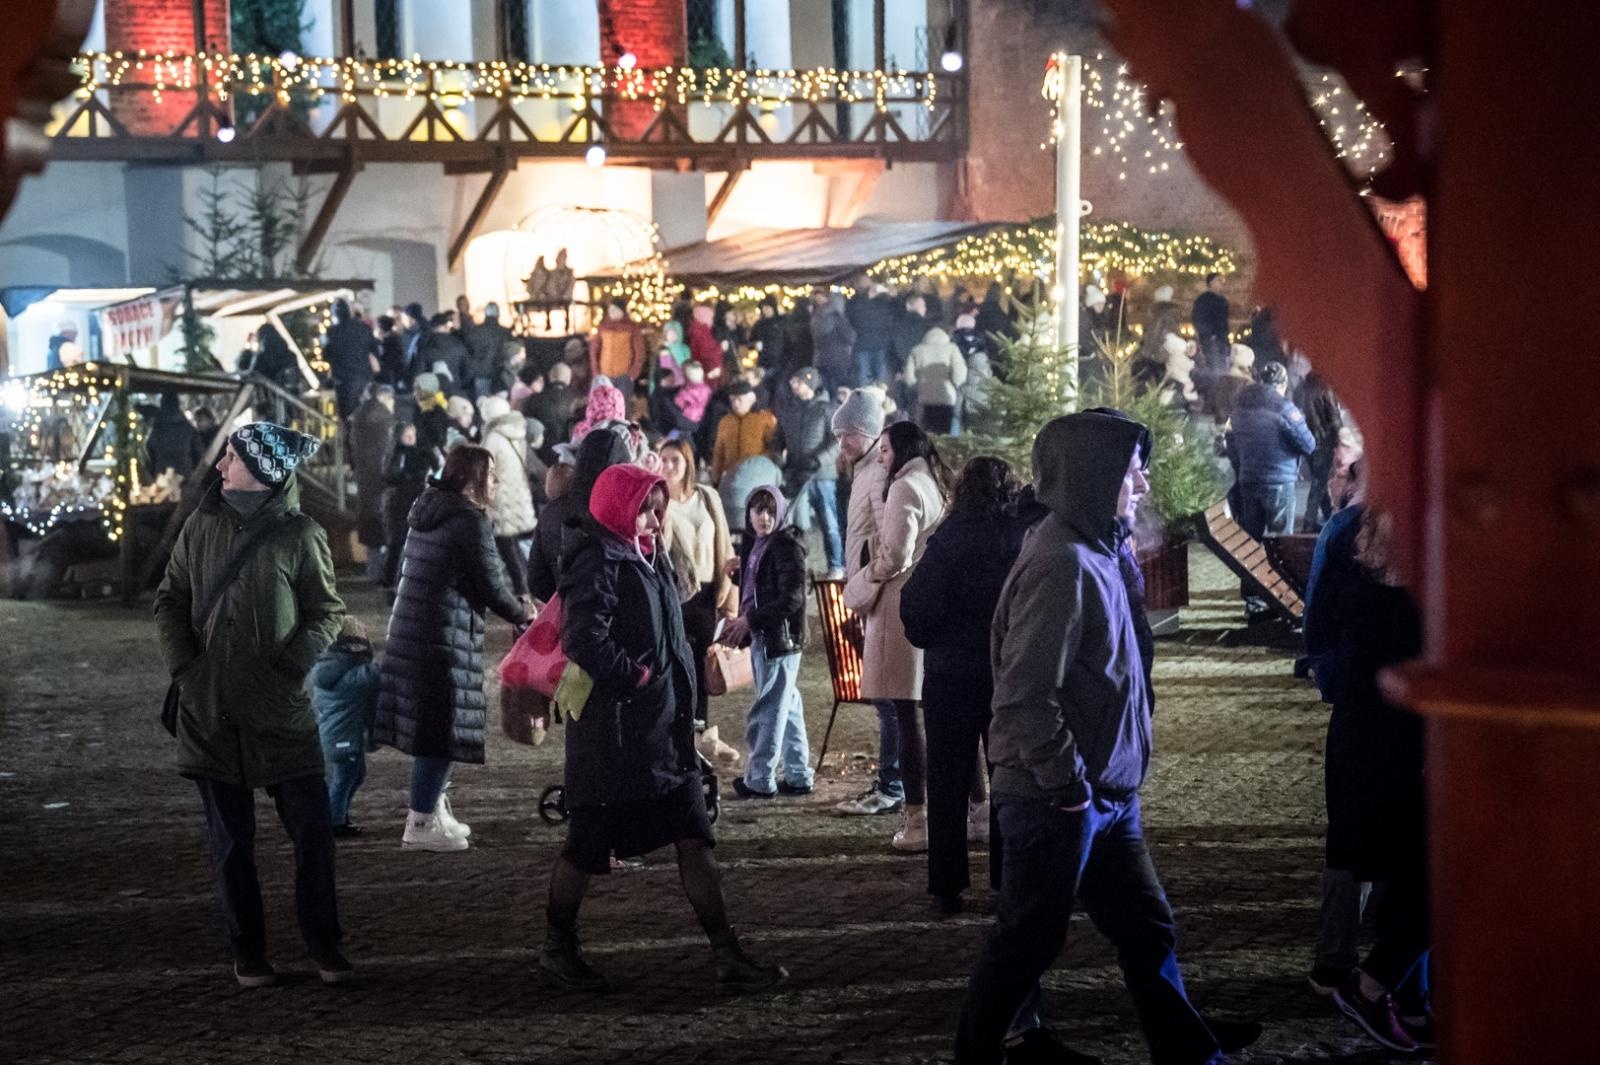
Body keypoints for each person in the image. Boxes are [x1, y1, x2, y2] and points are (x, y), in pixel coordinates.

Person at [955, 410, 1257, 1065]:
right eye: (1131, 470)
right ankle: (974, 1055)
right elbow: (1025, 693)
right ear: (1094, 476)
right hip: (1055, 796)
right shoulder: (1061, 561)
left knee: (1146, 927)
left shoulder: (1096, 546)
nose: (1143, 482)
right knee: (1027, 942)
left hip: (1104, 793)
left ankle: (1186, 1050)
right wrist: (1068, 787)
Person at [541, 462, 785, 994]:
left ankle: (726, 951)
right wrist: (639, 677)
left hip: (661, 733)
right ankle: (558, 945)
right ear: (618, 506)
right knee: (585, 844)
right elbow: (586, 640)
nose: (655, 518)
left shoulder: (646, 558)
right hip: (615, 737)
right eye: (645, 508)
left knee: (694, 837)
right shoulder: (599, 561)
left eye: (659, 507)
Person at [153, 421, 348, 988]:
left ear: (261, 471)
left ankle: (324, 944)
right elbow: (171, 600)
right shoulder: (200, 526)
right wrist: (187, 668)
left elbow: (326, 611)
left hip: (280, 712)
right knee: (232, 845)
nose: (220, 467)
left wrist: (290, 667)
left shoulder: (300, 534)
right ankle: (249, 952)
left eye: (231, 457)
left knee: (313, 837)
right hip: (210, 711)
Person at [1304, 505, 1431, 1053]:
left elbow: (1322, 635)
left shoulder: (1360, 578)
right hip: (1406, 749)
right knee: (1437, 877)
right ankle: (1373, 985)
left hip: (1363, 739)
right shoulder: (1416, 604)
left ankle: (1402, 996)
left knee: (1408, 874)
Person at [373, 444, 530, 851]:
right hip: (442, 636)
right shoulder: (468, 521)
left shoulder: (429, 511)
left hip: (415, 632)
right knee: (440, 732)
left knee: (436, 727)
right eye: (492, 476)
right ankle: (421, 823)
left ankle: (433, 810)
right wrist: (523, 615)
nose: (497, 483)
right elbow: (491, 584)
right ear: (474, 479)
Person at [900, 456, 1032, 914]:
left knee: (948, 780)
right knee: (1008, 777)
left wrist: (939, 634)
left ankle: (946, 885)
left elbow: (916, 611)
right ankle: (1007, 878)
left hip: (952, 675)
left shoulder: (948, 540)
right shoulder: (1020, 538)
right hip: (1004, 673)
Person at [844, 420, 948, 852]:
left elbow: (896, 555)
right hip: (921, 604)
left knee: (906, 715)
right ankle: (969, 809)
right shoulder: (930, 482)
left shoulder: (906, 487)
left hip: (898, 608)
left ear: (902, 449)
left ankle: (918, 820)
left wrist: (865, 574)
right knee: (925, 714)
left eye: (884, 450)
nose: (880, 457)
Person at [830, 389, 907, 818]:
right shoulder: (864, 469)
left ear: (868, 433)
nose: (841, 442)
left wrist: (868, 576)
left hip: (880, 593)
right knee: (885, 694)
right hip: (872, 590)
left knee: (888, 696)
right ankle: (894, 779)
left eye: (848, 434)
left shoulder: (877, 474)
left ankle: (893, 782)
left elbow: (886, 534)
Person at [725, 485, 813, 799]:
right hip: (773, 637)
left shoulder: (784, 545)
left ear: (780, 512)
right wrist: (739, 576)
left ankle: (760, 779)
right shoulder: (763, 544)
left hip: (778, 638)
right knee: (786, 706)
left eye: (770, 511)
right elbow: (763, 587)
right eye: (758, 510)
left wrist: (750, 619)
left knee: (770, 709)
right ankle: (799, 773)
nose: (764, 517)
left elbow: (791, 597)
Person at [658, 439, 736, 734]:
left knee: (703, 664)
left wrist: (729, 597)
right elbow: (660, 547)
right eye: (663, 459)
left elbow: (724, 544)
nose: (668, 466)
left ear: (687, 463)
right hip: (677, 594)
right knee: (678, 663)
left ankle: (699, 726)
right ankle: (677, 726)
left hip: (708, 593)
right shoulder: (657, 501)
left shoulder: (707, 497)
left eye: (674, 460)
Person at [528, 426, 633, 601]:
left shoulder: (553, 510)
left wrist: (565, 600)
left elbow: (536, 580)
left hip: (569, 617)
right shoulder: (625, 513)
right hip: (618, 619)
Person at [310, 615, 381, 838]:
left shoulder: (328, 672)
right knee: (345, 778)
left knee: (353, 775)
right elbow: (368, 677)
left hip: (339, 737)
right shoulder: (346, 675)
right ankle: (334, 821)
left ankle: (337, 815)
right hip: (343, 739)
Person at [775, 368, 844, 576]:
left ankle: (836, 564)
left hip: (822, 475)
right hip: (796, 473)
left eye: (797, 381)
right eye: (792, 380)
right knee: (794, 523)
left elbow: (837, 440)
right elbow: (778, 438)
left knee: (829, 523)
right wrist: (779, 458)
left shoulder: (826, 409)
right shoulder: (789, 410)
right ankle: (795, 565)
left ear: (810, 383)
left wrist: (818, 460)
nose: (793, 384)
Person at [477, 395, 537, 604]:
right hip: (518, 495)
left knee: (508, 547)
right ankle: (527, 588)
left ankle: (523, 592)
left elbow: (484, 469)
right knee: (512, 546)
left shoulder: (493, 437)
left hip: (501, 499)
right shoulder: (517, 432)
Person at [351, 384, 396, 578]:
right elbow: (388, 448)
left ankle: (374, 571)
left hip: (365, 474)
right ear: (385, 397)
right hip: (380, 476)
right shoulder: (384, 419)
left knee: (370, 523)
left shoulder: (361, 415)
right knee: (383, 521)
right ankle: (383, 573)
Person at [380, 423, 430, 592]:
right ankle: (390, 581)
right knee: (397, 543)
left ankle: (401, 580)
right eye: (407, 436)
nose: (411, 439)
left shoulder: (418, 454)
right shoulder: (397, 455)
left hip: (411, 502)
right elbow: (390, 476)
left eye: (412, 435)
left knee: (410, 544)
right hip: (398, 504)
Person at [1294, 371, 1345, 533]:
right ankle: (1308, 522)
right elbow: (1333, 417)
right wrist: (1341, 440)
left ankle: (1328, 514)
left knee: (1319, 478)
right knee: (1319, 482)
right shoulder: (1325, 388)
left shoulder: (1301, 387)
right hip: (1324, 441)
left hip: (1306, 440)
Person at [709, 378, 778, 487]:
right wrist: (715, 479)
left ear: (751, 399)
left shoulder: (765, 419)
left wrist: (759, 468)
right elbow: (719, 452)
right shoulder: (725, 422)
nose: (736, 404)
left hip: (756, 478)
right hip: (731, 479)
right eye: (732, 400)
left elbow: (774, 449)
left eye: (739, 399)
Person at [904, 325, 969, 433]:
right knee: (944, 434)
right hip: (946, 399)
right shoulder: (952, 348)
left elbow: (909, 377)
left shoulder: (916, 350)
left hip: (925, 399)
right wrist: (956, 385)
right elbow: (960, 373)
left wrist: (918, 387)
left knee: (927, 433)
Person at [324, 298, 378, 420]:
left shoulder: (333, 332)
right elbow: (374, 350)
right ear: (350, 312)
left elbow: (326, 355)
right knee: (365, 414)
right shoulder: (364, 329)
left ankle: (350, 437)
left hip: (343, 381)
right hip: (364, 378)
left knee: (347, 416)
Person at [588, 300, 647, 394]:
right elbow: (594, 350)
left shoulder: (632, 328)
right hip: (605, 374)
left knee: (623, 406)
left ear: (622, 311)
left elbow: (640, 352)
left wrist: (633, 374)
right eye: (610, 310)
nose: (612, 312)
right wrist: (596, 371)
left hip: (624, 376)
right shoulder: (603, 327)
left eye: (615, 310)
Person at [847, 276, 896, 389]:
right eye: (864, 282)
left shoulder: (882, 300)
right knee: (864, 382)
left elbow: (893, 314)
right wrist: (868, 297)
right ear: (857, 285)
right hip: (863, 346)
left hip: (881, 344)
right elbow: (856, 319)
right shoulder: (853, 302)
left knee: (881, 382)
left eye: (869, 281)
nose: (868, 284)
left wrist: (894, 296)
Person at [809, 289, 857, 396]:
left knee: (826, 389)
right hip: (839, 357)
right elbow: (850, 336)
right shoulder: (836, 316)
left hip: (821, 359)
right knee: (840, 390)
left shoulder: (814, 317)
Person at [144, 392, 201, 481]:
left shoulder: (158, 429)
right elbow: (198, 453)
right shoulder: (188, 428)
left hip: (162, 475)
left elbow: (150, 452)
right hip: (185, 474)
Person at [466, 302, 516, 399]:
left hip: (481, 374)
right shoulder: (505, 332)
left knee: (483, 405)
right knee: (500, 407)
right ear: (498, 315)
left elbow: (469, 352)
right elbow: (511, 352)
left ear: (485, 314)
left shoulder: (475, 331)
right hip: (501, 375)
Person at [524, 361, 575, 454]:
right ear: (569, 378)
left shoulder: (534, 399)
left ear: (550, 376)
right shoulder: (577, 400)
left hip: (541, 453)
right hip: (568, 453)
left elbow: (528, 426)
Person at [418, 312, 469, 390]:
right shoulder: (459, 344)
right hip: (455, 390)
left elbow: (420, 374)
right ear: (446, 326)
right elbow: (468, 370)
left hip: (434, 393)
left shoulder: (425, 346)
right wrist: (459, 384)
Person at [1191, 271, 1231, 371]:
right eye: (1218, 280)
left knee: (1223, 366)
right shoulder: (1203, 300)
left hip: (1222, 340)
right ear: (1211, 283)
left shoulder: (1222, 300)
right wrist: (1209, 335)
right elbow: (1198, 319)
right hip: (1211, 341)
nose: (1221, 282)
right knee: (1214, 367)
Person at [1210, 343, 1256, 426]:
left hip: (1219, 425)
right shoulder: (1248, 385)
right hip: (1238, 429)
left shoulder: (1221, 381)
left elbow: (1213, 406)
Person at [373, 314, 407, 387]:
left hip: (386, 378)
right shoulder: (397, 338)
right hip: (395, 377)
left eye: (376, 326)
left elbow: (382, 360)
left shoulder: (385, 342)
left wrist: (377, 340)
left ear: (380, 328)